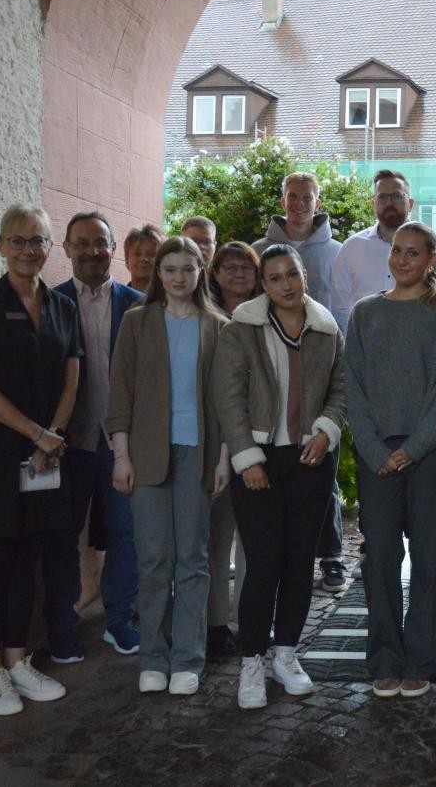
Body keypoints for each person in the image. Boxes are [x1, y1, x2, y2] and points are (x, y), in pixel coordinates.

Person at [0, 205, 79, 715]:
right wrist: (38, 435)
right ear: (1, 245)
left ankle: (19, 660)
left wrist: (53, 438)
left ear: (51, 247)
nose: (29, 250)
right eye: (19, 240)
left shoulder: (62, 307)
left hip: (43, 458)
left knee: (28, 559)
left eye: (39, 241)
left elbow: (72, 380)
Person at [213, 244, 346, 709]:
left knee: (298, 562)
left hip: (310, 459)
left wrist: (327, 432)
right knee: (264, 562)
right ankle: (251, 660)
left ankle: (286, 653)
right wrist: (247, 458)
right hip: (260, 459)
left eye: (292, 274)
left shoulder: (327, 328)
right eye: (275, 277)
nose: (286, 284)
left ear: (304, 275)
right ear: (262, 284)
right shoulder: (241, 329)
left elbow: (340, 388)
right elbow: (227, 398)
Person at [345, 222, 436, 698]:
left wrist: (413, 448)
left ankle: (422, 659)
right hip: (378, 451)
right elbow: (353, 386)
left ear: (431, 259)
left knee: (432, 555)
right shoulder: (364, 313)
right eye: (397, 250)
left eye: (413, 253)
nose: (401, 260)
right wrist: (378, 451)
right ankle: (384, 659)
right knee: (379, 557)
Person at [106, 237, 229, 696]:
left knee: (193, 561)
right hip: (146, 455)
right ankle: (153, 657)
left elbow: (224, 400)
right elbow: (120, 396)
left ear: (201, 272)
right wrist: (121, 456)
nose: (179, 277)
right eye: (170, 269)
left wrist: (222, 460)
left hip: (199, 454)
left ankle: (187, 660)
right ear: (158, 274)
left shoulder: (217, 325)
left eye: (188, 269)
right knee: (154, 560)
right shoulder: (137, 323)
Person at [48, 212, 142, 664]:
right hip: (67, 446)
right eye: (81, 243)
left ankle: (119, 620)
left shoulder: (138, 305)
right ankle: (62, 629)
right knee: (62, 538)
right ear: (65, 249)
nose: (91, 251)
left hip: (120, 446)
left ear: (113, 250)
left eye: (100, 243)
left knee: (127, 535)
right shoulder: (49, 303)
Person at [252, 172, 348, 595]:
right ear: (283, 199)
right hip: (272, 371)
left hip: (324, 371)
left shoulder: (339, 253)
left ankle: (330, 555)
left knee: (322, 465)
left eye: (306, 197)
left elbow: (343, 310)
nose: (299, 203)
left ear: (317, 199)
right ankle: (278, 557)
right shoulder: (259, 252)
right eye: (292, 196)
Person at [203, 241, 261, 657]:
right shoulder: (203, 318)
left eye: (247, 266)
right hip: (212, 440)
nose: (239, 273)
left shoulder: (265, 318)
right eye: (230, 266)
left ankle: (251, 622)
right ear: (216, 273)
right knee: (216, 538)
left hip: (257, 440)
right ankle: (215, 624)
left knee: (253, 542)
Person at [330, 169, 415, 329]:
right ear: (373, 204)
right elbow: (340, 308)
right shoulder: (352, 248)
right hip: (365, 349)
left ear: (410, 203)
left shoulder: (433, 248)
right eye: (382, 197)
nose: (389, 203)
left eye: (397, 196)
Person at [123, 224, 165, 294]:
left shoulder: (172, 300)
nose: (144, 259)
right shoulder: (116, 299)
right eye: (137, 254)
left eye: (151, 254)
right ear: (127, 259)